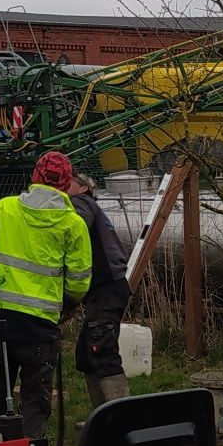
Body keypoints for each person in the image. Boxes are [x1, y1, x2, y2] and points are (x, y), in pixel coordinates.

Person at [0, 149, 93, 439]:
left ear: (34, 176)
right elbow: (80, 282)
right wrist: (66, 306)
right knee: (35, 398)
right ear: (66, 184)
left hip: (2, 321)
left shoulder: (6, 208)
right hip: (41, 327)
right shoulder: (73, 225)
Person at [67, 163, 131, 402]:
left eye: (69, 182)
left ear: (83, 187)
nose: (63, 187)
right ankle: (101, 414)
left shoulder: (80, 204)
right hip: (106, 288)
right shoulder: (93, 206)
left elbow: (74, 227)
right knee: (86, 354)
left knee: (101, 351)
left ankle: (119, 414)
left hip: (107, 287)